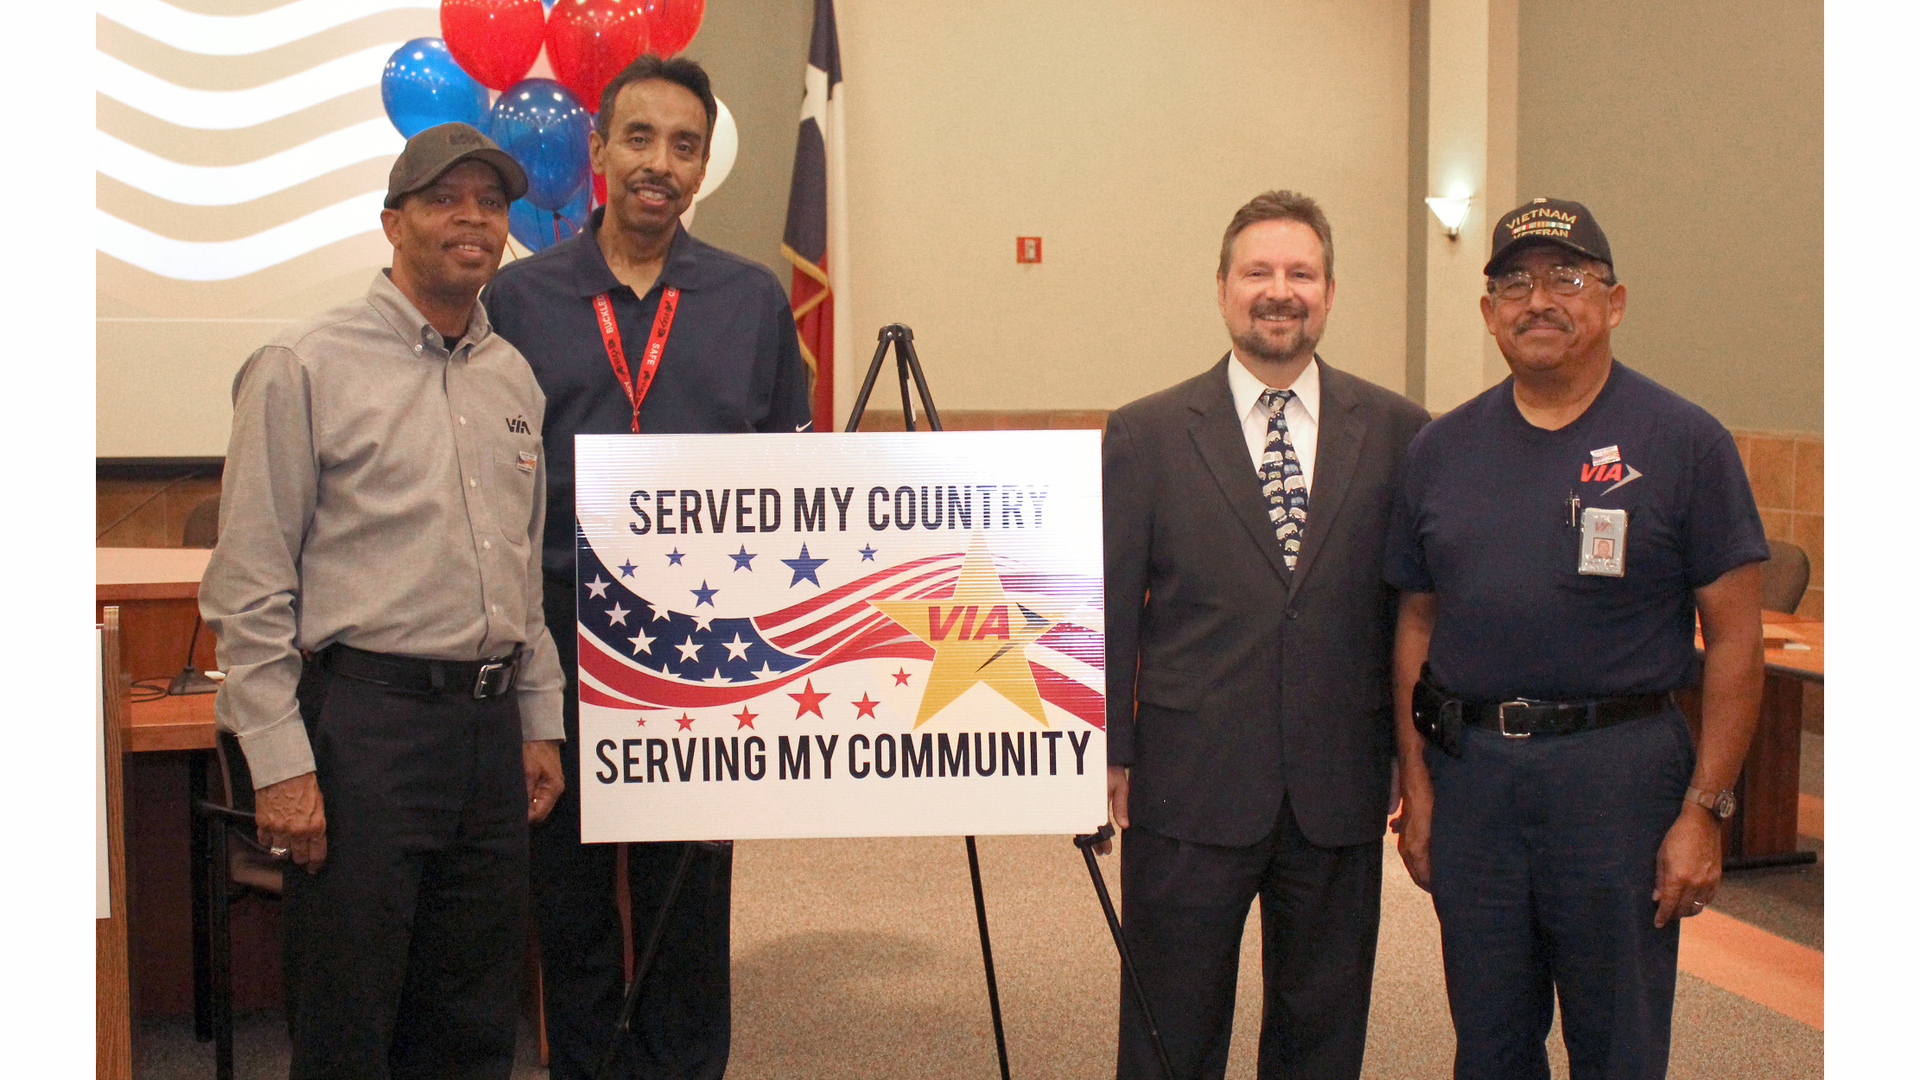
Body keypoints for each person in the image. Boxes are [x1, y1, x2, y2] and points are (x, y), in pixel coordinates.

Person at [199, 122, 566, 1079]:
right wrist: (279, 765)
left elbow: (520, 574)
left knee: (473, 1023)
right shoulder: (304, 364)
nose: (474, 219)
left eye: (492, 203)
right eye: (448, 199)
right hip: (365, 731)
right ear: (393, 221)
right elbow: (249, 585)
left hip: (488, 740)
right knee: (350, 1022)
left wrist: (537, 719)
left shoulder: (512, 377)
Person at [483, 54, 813, 1080]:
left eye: (684, 146)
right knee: (568, 888)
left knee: (688, 892)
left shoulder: (753, 300)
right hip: (557, 636)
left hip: (698, 646)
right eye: (639, 138)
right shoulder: (519, 300)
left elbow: (792, 474)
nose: (659, 164)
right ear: (596, 153)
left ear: (703, 166)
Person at [1385, 198, 1768, 1080]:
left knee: (1619, 1044)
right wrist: (1418, 785)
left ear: (1615, 301)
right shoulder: (1440, 451)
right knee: (1488, 1043)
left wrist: (1703, 812)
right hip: (1473, 777)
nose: (1538, 301)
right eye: (1513, 283)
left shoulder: (1685, 442)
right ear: (1488, 315)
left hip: (1620, 783)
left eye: (1567, 278)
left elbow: (1737, 643)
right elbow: (1415, 621)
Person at [1100, 190, 1430, 1080]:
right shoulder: (1147, 434)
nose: (1279, 291)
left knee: (1320, 1036)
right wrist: (1111, 752)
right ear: (1221, 288)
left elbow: (1413, 612)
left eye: (1301, 273)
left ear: (1329, 291)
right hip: (1185, 788)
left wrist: (1413, 754)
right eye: (1258, 272)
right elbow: (1114, 607)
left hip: (1338, 787)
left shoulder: (1400, 433)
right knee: (1172, 1030)